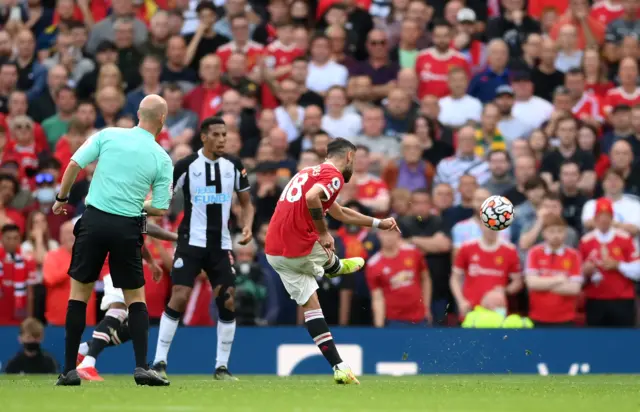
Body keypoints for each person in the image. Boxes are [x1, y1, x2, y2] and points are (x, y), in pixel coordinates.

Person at [52, 94, 173, 387]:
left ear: (138, 114)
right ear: (162, 120)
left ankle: (69, 370)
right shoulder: (162, 157)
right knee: (135, 299)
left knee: (78, 294)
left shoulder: (108, 134)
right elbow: (160, 207)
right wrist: (133, 201)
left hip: (93, 221)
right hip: (127, 226)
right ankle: (142, 368)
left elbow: (72, 165)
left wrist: (62, 199)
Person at [264, 138, 399, 384]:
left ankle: (339, 366)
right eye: (355, 161)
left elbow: (341, 212)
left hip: (274, 253)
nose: (354, 166)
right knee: (330, 257)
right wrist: (324, 232)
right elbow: (314, 198)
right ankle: (335, 266)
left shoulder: (307, 172)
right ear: (348, 156)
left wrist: (380, 223)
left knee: (312, 308)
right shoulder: (333, 174)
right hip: (299, 246)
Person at [151, 117, 256, 382]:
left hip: (220, 245)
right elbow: (163, 198)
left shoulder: (234, 166)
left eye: (225, 134)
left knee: (228, 299)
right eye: (217, 135)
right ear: (204, 137)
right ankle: (159, 362)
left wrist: (248, 226)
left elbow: (247, 203)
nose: (223, 139)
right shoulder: (186, 165)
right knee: (180, 295)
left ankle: (221, 367)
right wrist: (145, 208)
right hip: (190, 243)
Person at [75, 222, 178, 381]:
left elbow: (137, 236)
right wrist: (177, 237)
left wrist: (150, 262)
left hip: (124, 261)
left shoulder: (128, 207)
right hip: (115, 261)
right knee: (119, 309)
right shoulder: (128, 202)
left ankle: (85, 349)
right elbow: (147, 227)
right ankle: (88, 363)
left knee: (134, 326)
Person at [525, 214, 583, 327]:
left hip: (566, 318)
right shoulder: (535, 252)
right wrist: (559, 279)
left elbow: (574, 289)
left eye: (560, 231)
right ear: (544, 233)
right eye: (551, 231)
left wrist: (543, 284)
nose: (556, 235)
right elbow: (532, 284)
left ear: (565, 233)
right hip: (538, 317)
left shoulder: (573, 255)